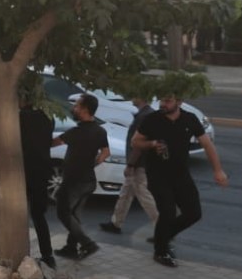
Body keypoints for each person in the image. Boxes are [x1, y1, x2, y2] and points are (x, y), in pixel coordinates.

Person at [132, 92, 229, 268]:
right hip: (157, 174)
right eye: (162, 100)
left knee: (194, 213)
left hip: (181, 174)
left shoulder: (189, 119)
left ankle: (163, 236)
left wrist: (218, 170)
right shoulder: (152, 119)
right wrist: (152, 144)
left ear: (179, 102)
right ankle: (160, 251)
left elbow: (207, 144)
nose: (163, 104)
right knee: (168, 212)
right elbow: (136, 142)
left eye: (168, 101)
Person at [0, 90, 57, 278]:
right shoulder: (49, 118)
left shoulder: (19, 118)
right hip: (41, 171)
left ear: (24, 100)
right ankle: (47, 254)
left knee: (5, 210)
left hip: (19, 171)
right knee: (38, 214)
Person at [52, 93, 110, 259]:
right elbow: (106, 153)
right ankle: (71, 248)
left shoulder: (75, 132)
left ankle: (87, 244)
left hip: (73, 181)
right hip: (89, 181)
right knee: (74, 215)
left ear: (84, 110)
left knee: (63, 213)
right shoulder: (100, 131)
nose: (73, 108)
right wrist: (92, 164)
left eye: (76, 106)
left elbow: (53, 143)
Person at [100, 96, 160, 235]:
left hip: (139, 164)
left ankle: (162, 227)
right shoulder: (146, 114)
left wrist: (131, 164)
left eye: (135, 95)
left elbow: (137, 144)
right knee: (126, 194)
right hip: (141, 162)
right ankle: (116, 222)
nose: (132, 98)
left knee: (144, 196)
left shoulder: (143, 117)